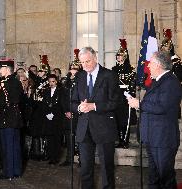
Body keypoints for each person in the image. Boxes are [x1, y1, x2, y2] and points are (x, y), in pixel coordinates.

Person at [128, 51, 182, 189]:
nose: (148, 66)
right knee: (153, 178)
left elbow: (162, 107)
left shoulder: (171, 81)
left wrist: (139, 104)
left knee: (166, 179)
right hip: (152, 137)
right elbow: (152, 105)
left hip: (163, 139)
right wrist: (138, 105)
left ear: (158, 65)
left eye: (150, 63)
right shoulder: (156, 81)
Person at [71, 47, 120, 189]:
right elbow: (72, 101)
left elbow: (116, 102)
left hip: (104, 127)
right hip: (84, 128)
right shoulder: (79, 76)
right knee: (85, 168)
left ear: (95, 58)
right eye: (82, 62)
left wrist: (94, 106)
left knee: (106, 168)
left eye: (87, 61)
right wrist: (79, 107)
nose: (85, 65)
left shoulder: (109, 75)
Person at [0, 59, 23, 180]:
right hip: (15, 117)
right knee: (15, 145)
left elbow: (2, 102)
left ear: (6, 69)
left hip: (6, 117)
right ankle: (16, 171)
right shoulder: (16, 82)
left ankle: (8, 172)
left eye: (1, 68)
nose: (0, 70)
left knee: (7, 146)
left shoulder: (5, 83)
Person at [112, 39, 136, 148]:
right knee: (116, 119)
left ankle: (125, 141)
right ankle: (119, 140)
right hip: (116, 97)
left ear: (125, 56)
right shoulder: (113, 69)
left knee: (125, 120)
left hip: (125, 97)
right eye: (117, 55)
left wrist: (130, 94)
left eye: (120, 55)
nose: (118, 57)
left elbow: (132, 84)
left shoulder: (130, 70)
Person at [42, 74, 64, 165]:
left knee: (57, 138)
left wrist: (53, 114)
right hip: (48, 117)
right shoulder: (46, 91)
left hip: (57, 117)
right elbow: (44, 104)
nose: (51, 83)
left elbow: (61, 104)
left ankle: (56, 157)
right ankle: (51, 156)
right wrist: (47, 114)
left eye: (53, 81)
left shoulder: (60, 91)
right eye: (49, 81)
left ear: (56, 81)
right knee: (50, 137)